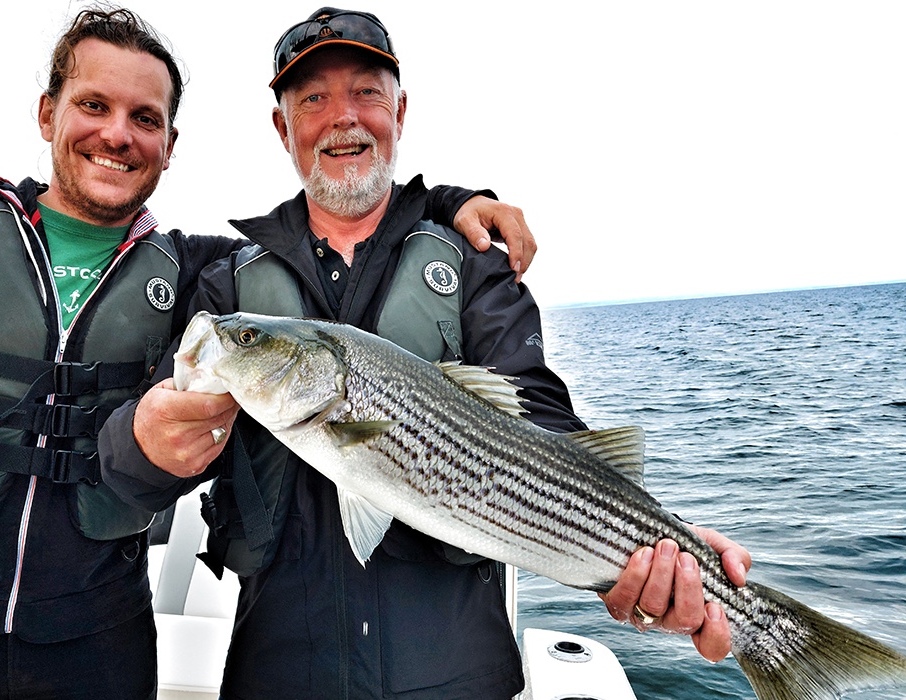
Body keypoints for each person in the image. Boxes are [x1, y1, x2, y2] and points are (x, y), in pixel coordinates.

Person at [0, 5, 544, 699]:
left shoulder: (198, 272)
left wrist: (451, 203)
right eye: (93, 105)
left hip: (100, 639)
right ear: (47, 113)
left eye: (145, 117)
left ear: (169, 143)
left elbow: (339, 232)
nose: (117, 134)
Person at [100, 7, 753, 699]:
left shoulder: (474, 264)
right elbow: (135, 475)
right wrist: (143, 450)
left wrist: (660, 544)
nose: (343, 117)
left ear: (400, 111)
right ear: (282, 127)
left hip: (457, 677)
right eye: (313, 99)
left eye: (366, 93)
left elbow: (541, 417)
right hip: (279, 674)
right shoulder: (226, 282)